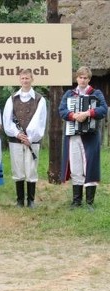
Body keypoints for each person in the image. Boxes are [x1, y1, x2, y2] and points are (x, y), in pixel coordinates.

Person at [58, 66, 108, 210]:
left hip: (90, 137)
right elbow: (62, 111)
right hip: (73, 135)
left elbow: (103, 110)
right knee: (75, 166)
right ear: (77, 78)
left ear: (89, 79)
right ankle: (76, 201)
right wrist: (74, 116)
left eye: (85, 78)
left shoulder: (96, 93)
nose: (83, 80)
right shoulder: (69, 94)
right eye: (80, 77)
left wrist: (87, 113)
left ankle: (90, 203)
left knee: (90, 166)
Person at [3, 68, 47, 208]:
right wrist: (17, 134)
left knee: (31, 168)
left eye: (27, 78)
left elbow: (40, 120)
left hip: (31, 140)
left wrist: (31, 137)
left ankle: (31, 201)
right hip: (16, 139)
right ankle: (20, 200)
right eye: (22, 78)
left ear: (32, 79)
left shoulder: (40, 99)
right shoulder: (12, 99)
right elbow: (7, 120)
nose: (25, 81)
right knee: (18, 168)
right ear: (19, 79)